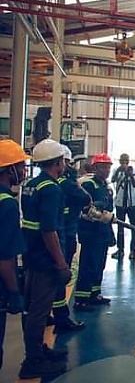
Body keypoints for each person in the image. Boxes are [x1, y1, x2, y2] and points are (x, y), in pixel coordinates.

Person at [20, 139, 71, 379]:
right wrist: (61, 263)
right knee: (39, 311)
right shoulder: (52, 189)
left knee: (32, 309)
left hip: (31, 254)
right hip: (44, 258)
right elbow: (49, 230)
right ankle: (34, 360)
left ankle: (39, 350)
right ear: (58, 162)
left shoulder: (31, 185)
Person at [52, 145, 89, 333]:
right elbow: (85, 199)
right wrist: (74, 180)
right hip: (64, 235)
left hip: (52, 237)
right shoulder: (66, 184)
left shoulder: (37, 184)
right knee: (61, 278)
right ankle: (61, 317)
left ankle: (51, 314)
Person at [73, 153, 115, 312]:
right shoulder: (89, 184)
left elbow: (108, 207)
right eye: (103, 167)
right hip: (90, 231)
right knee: (88, 265)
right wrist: (96, 207)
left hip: (102, 230)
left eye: (108, 167)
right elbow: (84, 208)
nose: (106, 170)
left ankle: (94, 293)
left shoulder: (105, 185)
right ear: (95, 168)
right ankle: (81, 299)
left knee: (99, 264)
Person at [0, 140, 28, 370]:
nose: (23, 171)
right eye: (20, 166)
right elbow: (5, 257)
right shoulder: (7, 204)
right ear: (9, 170)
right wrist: (13, 291)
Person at [111, 153, 135, 260]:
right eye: (122, 161)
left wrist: (131, 175)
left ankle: (133, 250)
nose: (124, 164)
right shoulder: (117, 171)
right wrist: (119, 171)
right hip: (120, 202)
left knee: (134, 227)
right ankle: (120, 250)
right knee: (120, 227)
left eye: (126, 161)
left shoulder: (134, 170)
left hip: (132, 203)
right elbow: (113, 180)